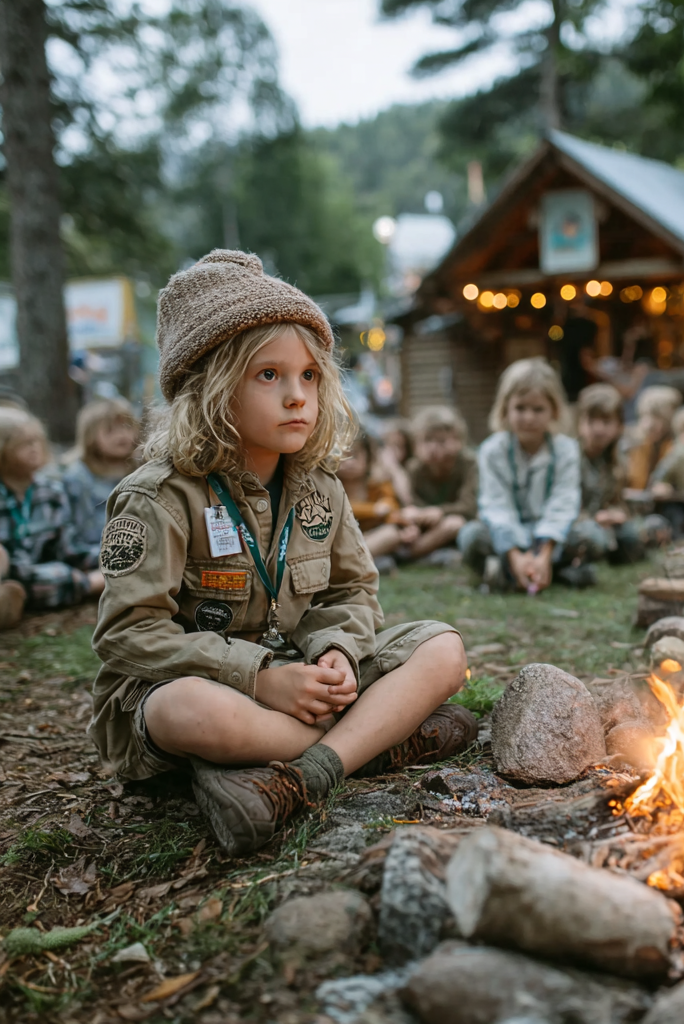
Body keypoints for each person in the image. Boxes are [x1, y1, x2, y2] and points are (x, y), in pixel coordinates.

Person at [88, 250, 472, 858]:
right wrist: (259, 677)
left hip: (300, 675)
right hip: (199, 685)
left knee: (443, 650)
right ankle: (371, 740)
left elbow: (352, 592)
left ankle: (304, 772)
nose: (297, 396)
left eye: (310, 376)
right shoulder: (158, 497)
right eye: (269, 375)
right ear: (210, 387)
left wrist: (336, 652)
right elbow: (128, 635)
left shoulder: (321, 488)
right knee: (184, 710)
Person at [458, 357, 592, 591]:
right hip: (509, 536)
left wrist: (544, 553)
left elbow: (563, 502)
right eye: (520, 408)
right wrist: (515, 554)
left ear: (554, 410)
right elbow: (496, 505)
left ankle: (519, 572)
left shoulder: (566, 450)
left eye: (538, 409)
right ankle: (536, 570)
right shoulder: (492, 450)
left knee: (592, 536)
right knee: (470, 536)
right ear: (505, 409)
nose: (529, 418)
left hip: (551, 538)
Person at [0, 408, 104, 625]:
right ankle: (88, 585)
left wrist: (109, 556)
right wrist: (81, 580)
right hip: (9, 572)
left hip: (40, 573)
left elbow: (68, 549)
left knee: (56, 574)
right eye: (23, 444)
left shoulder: (51, 492)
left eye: (36, 441)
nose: (34, 448)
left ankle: (13, 599)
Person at [62, 397, 141, 570]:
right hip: (96, 561)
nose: (122, 435)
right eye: (110, 430)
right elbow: (76, 534)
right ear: (90, 435)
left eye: (127, 427)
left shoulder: (142, 469)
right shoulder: (78, 477)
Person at [573, 383, 647, 564]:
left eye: (606, 422)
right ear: (580, 423)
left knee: (633, 534)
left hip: (606, 524)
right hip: (579, 524)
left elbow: (617, 500)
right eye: (591, 421)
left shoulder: (616, 460)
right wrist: (593, 519)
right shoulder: (571, 457)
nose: (598, 429)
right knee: (593, 537)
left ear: (619, 426)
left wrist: (616, 514)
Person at [398, 406, 477, 563]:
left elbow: (469, 506)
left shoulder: (469, 465)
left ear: (458, 441)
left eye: (442, 441)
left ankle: (408, 555)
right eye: (427, 440)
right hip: (425, 526)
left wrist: (440, 511)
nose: (433, 448)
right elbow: (411, 502)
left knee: (454, 523)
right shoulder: (415, 469)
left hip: (455, 524)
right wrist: (420, 516)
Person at [336, 431, 410, 568]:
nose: (349, 463)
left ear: (368, 457)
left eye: (354, 456)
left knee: (391, 534)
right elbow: (339, 509)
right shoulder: (331, 484)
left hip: (370, 538)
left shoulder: (377, 483)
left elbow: (391, 506)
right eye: (343, 456)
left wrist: (404, 525)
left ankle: (354, 564)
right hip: (340, 542)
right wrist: (373, 510)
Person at [624, 385, 681, 492]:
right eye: (647, 415)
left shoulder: (678, 445)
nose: (650, 424)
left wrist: (671, 488)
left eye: (659, 417)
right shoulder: (629, 441)